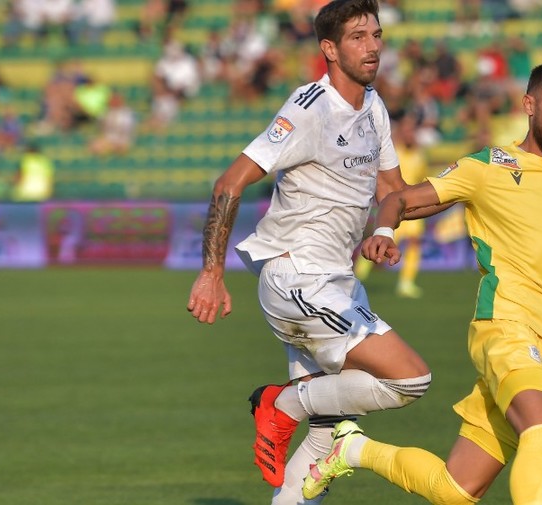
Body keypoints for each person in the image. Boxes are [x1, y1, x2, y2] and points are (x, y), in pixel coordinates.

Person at [302, 61, 542, 505]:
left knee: (456, 491)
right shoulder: (488, 167)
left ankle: (351, 448)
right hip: (505, 329)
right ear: (529, 105)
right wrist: (385, 230)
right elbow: (400, 199)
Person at [186, 2, 439, 504]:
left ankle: (293, 418)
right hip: (297, 279)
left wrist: (467, 192)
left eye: (376, 35)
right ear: (330, 49)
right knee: (410, 379)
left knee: (324, 441)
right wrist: (212, 273)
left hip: (338, 283)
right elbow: (229, 182)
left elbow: (395, 193)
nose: (372, 47)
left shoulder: (374, 106)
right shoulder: (309, 108)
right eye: (358, 37)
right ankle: (282, 403)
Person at [355, 114, 430, 298]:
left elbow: (422, 178)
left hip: (413, 205)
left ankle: (406, 283)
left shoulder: (419, 154)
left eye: (412, 130)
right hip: (393, 205)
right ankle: (358, 276)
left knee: (414, 242)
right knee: (380, 243)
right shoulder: (393, 152)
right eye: (406, 130)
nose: (410, 134)